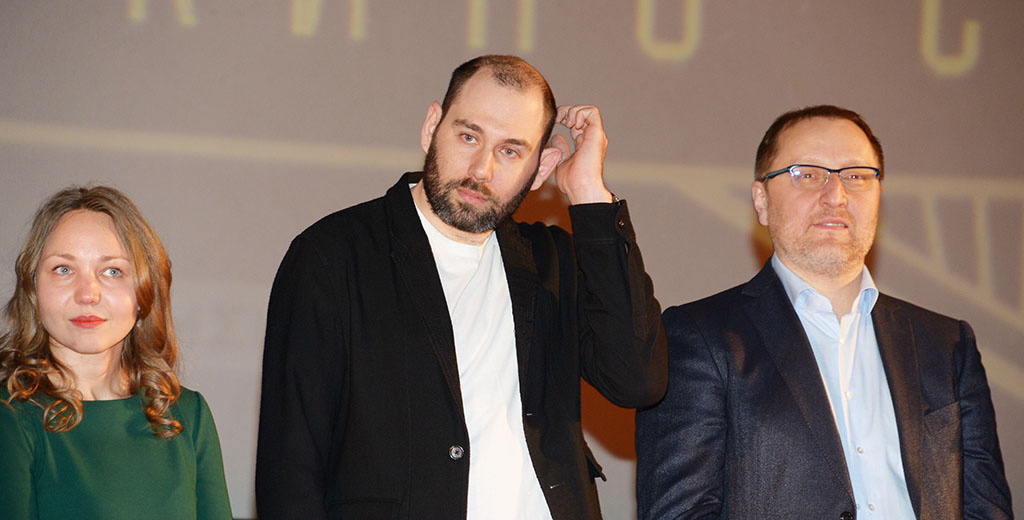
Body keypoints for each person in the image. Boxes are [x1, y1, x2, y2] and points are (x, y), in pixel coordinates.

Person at [256, 54, 667, 519]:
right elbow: (290, 467)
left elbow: (637, 380)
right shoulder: (332, 256)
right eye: (469, 136)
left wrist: (589, 195)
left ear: (540, 168)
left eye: (510, 151)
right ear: (432, 126)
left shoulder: (553, 262)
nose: (481, 169)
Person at [636, 105, 1013, 519]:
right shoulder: (699, 337)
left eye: (857, 176)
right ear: (761, 200)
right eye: (807, 174)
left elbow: (986, 509)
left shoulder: (947, 344)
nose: (836, 196)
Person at [0, 186, 233, 520]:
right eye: (63, 269)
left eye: (112, 271)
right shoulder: (11, 417)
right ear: (33, 288)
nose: (87, 294)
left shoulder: (188, 414)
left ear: (143, 293)